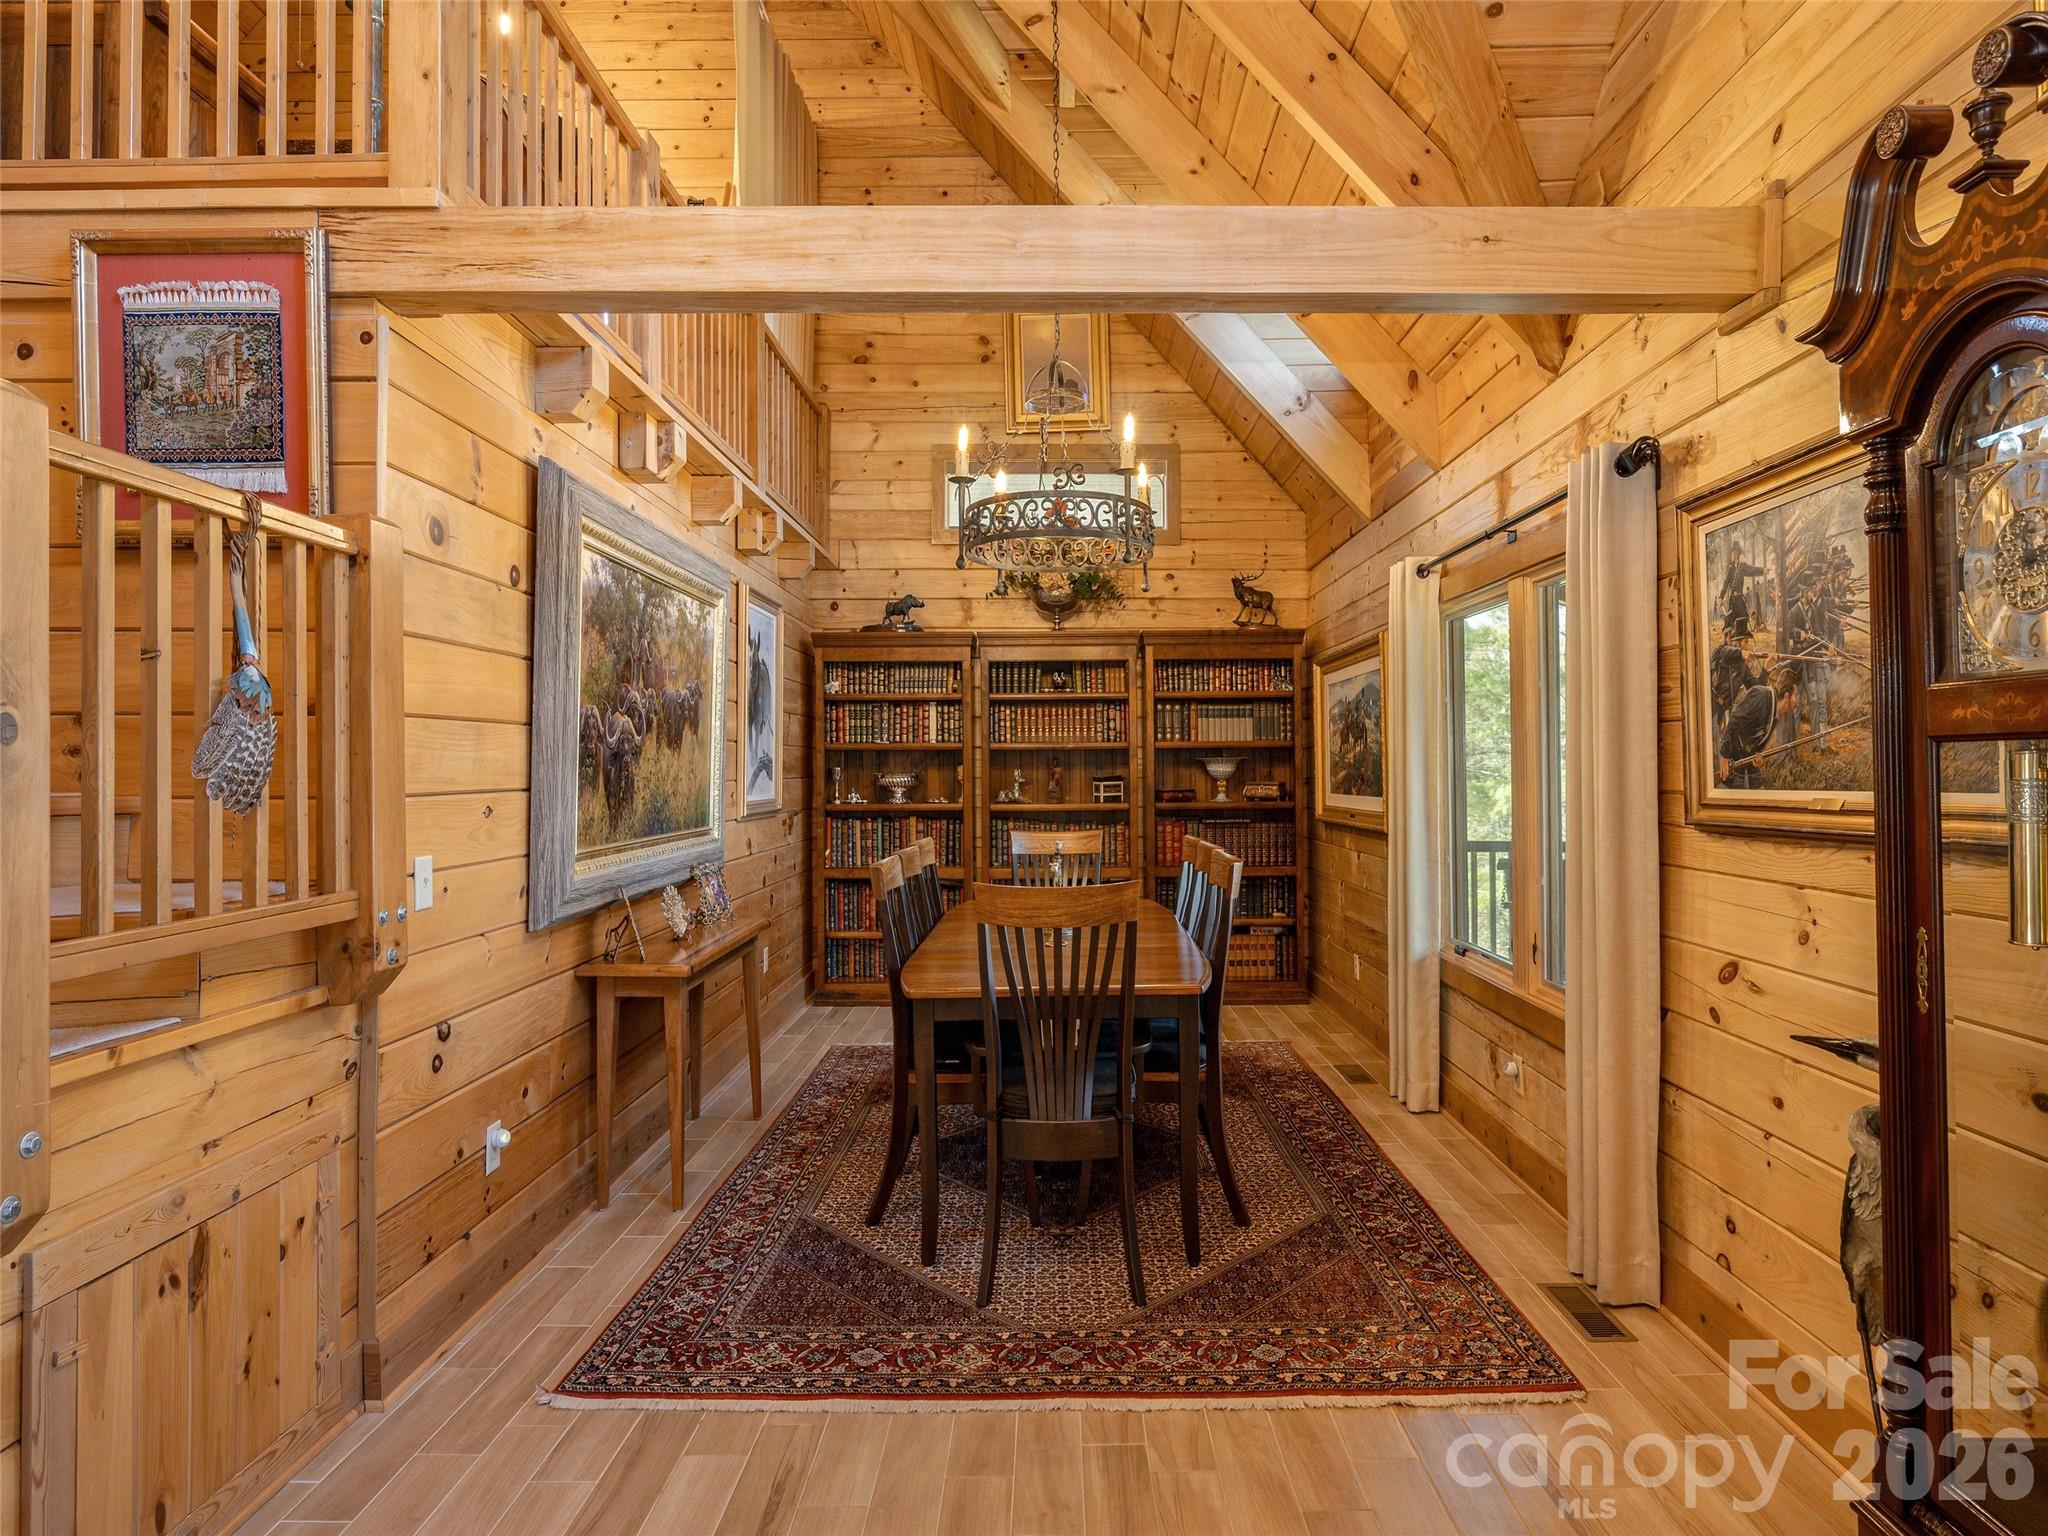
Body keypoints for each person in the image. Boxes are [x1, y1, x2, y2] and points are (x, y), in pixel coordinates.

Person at [1718, 666, 1801, 789]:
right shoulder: (1761, 695)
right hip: (1733, 761)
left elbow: (1757, 741)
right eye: (1796, 695)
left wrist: (1758, 755)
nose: (1797, 701)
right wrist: (1724, 755)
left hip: (1747, 763)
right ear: (1787, 696)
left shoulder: (1776, 714)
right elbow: (1735, 719)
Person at [1709, 614, 1758, 740]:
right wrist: (1741, 653)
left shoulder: (1742, 666)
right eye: (1745, 641)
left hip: (1725, 708)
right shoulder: (1722, 650)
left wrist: (1766, 670)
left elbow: (1755, 687)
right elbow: (1725, 652)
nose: (1747, 645)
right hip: (1712, 704)